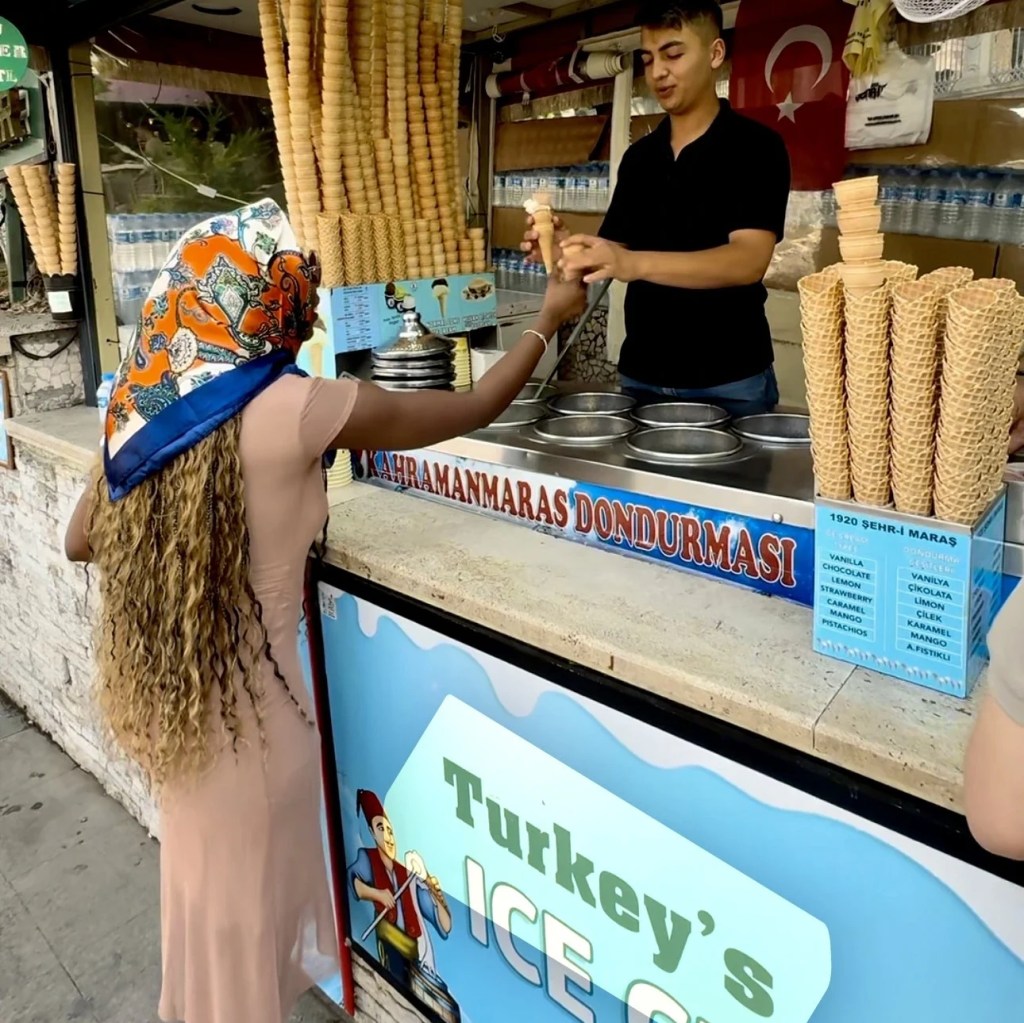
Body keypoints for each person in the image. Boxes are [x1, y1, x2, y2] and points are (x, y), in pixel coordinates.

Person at [62, 199, 585, 1023]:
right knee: (246, 968)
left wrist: (144, 396)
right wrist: (548, 319)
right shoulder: (297, 409)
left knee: (210, 948)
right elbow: (474, 405)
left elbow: (78, 540)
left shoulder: (153, 424)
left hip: (190, 734)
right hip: (262, 744)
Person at [522, 0, 791, 417]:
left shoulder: (756, 148)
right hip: (642, 376)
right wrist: (563, 249)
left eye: (674, 53)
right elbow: (609, 252)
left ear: (715, 54)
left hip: (730, 381)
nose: (658, 72)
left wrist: (632, 263)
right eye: (648, 59)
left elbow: (748, 260)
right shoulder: (641, 158)